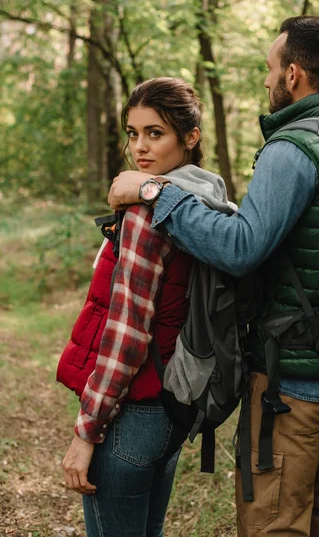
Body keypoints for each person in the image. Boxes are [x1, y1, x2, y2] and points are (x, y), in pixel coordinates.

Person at [107, 16, 319, 537]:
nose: (265, 79)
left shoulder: (293, 148)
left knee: (275, 522)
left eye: (269, 68)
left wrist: (154, 192)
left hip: (294, 382)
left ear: (294, 74)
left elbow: (240, 249)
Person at [59, 77, 234, 537]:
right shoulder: (205, 198)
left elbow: (127, 334)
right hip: (172, 405)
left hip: (133, 412)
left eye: (155, 133)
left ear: (190, 137)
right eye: (133, 133)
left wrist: (86, 431)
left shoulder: (145, 211)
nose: (139, 147)